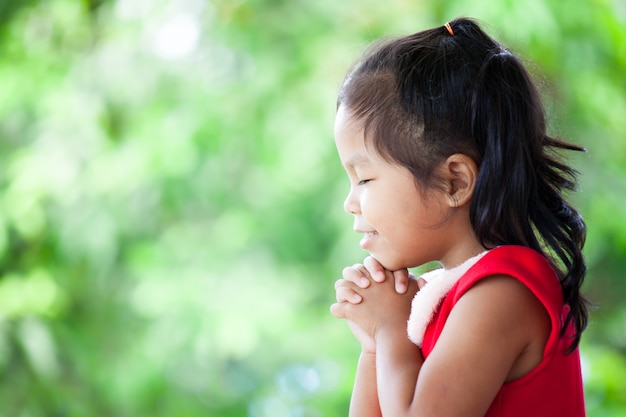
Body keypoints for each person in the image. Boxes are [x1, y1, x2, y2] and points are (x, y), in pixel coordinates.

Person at [330, 17, 589, 417]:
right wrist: (375, 344)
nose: (351, 202)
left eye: (364, 177)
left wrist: (390, 330)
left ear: (454, 182)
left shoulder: (504, 290)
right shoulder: (437, 297)